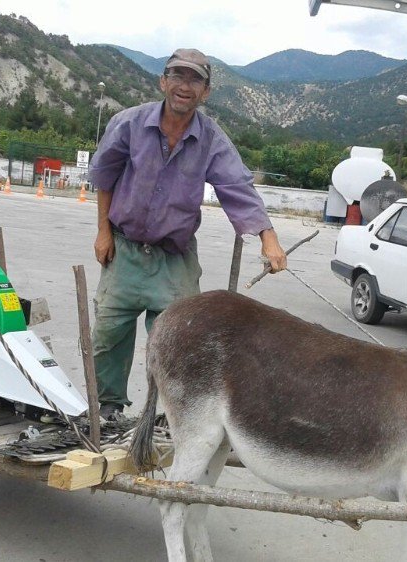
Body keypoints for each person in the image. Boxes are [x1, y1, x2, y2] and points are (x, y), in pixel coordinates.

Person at [88, 48, 287, 421]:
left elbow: (237, 187)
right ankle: (108, 408)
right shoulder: (128, 124)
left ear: (206, 92)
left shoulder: (211, 138)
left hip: (174, 258)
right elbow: (104, 177)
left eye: (195, 79)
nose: (185, 86)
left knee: (181, 341)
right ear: (163, 82)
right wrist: (103, 232)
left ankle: (171, 416)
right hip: (125, 249)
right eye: (177, 76)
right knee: (107, 336)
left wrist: (267, 236)